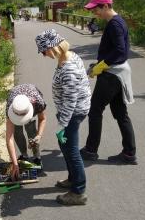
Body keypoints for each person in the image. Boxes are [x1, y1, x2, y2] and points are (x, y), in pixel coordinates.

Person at [35, 29, 91, 206]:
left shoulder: (68, 68)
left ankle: (78, 192)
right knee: (65, 146)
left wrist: (61, 126)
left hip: (73, 113)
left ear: (52, 48)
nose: (44, 55)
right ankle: (73, 178)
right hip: (73, 111)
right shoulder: (68, 56)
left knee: (71, 150)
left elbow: (70, 102)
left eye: (43, 51)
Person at [80, 0, 137, 165]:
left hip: (112, 75)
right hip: (117, 73)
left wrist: (101, 66)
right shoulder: (117, 22)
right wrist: (99, 65)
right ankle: (129, 153)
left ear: (105, 6)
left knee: (95, 110)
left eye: (96, 9)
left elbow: (121, 51)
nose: (94, 13)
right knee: (121, 114)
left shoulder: (115, 25)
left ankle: (91, 150)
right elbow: (118, 50)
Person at [5, 84, 47, 181]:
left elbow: (42, 119)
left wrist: (39, 136)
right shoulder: (10, 108)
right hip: (15, 98)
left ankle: (37, 157)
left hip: (31, 101)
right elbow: (9, 139)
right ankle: (24, 155)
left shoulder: (38, 102)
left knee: (31, 128)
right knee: (17, 131)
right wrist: (14, 163)